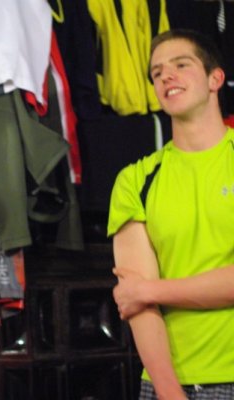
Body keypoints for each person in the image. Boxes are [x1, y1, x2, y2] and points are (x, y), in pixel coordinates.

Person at [108, 29, 234, 400]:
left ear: (215, 78)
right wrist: (169, 391)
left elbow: (137, 292)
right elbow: (136, 304)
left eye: (181, 65)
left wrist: (150, 290)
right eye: (157, 72)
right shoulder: (135, 180)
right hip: (169, 386)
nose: (167, 76)